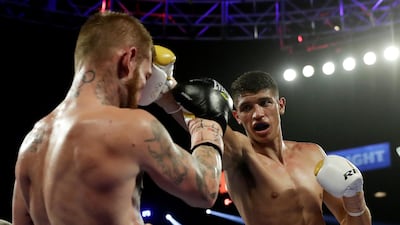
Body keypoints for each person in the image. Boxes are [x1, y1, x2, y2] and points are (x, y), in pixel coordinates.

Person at [12, 11, 226, 225]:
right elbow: (205, 190)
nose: (142, 90)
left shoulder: (31, 144)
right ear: (128, 59)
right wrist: (208, 126)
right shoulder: (134, 126)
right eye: (145, 76)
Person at [171, 71, 372, 225]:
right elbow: (199, 117)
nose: (258, 114)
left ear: (281, 105)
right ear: (237, 117)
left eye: (265, 103)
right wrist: (165, 83)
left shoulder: (313, 153)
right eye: (247, 107)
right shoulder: (241, 155)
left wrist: (355, 197)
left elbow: (350, 219)